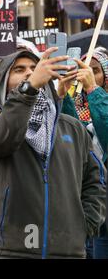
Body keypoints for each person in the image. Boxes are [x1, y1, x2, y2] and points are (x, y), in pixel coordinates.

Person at [0, 48, 106, 259]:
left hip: (67, 251)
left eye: (33, 67)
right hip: (13, 251)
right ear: (3, 81)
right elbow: (3, 139)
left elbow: (96, 180)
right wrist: (29, 89)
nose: (30, 72)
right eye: (19, 69)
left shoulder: (71, 126)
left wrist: (84, 225)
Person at [58, 46, 108, 259]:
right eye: (84, 69)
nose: (88, 74)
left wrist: (93, 89)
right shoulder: (81, 104)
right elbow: (75, 136)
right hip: (95, 206)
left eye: (95, 70)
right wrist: (61, 95)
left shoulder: (95, 97)